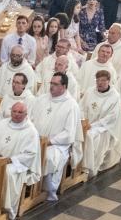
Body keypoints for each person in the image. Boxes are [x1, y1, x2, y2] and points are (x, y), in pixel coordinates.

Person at [31, 73, 83, 202]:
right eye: (51, 83)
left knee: (47, 157)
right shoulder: (42, 99)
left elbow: (69, 133)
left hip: (58, 145)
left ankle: (47, 190)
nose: (51, 86)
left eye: (55, 84)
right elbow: (31, 120)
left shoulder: (71, 105)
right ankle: (29, 187)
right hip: (37, 140)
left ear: (64, 86)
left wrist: (50, 141)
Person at [0, 101, 42, 220]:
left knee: (6, 172)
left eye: (20, 112)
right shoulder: (1, 124)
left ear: (26, 114)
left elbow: (30, 154)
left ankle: (5, 207)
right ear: (11, 112)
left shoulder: (31, 131)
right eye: (14, 111)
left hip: (18, 164)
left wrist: (11, 159)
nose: (17, 114)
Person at [82, 69, 121, 175]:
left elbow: (111, 117)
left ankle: (89, 166)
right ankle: (77, 163)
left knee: (90, 136)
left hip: (104, 127)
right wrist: (83, 121)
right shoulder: (90, 91)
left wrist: (93, 125)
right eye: (98, 80)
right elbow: (82, 107)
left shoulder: (114, 96)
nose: (100, 83)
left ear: (109, 81)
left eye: (103, 80)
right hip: (87, 123)